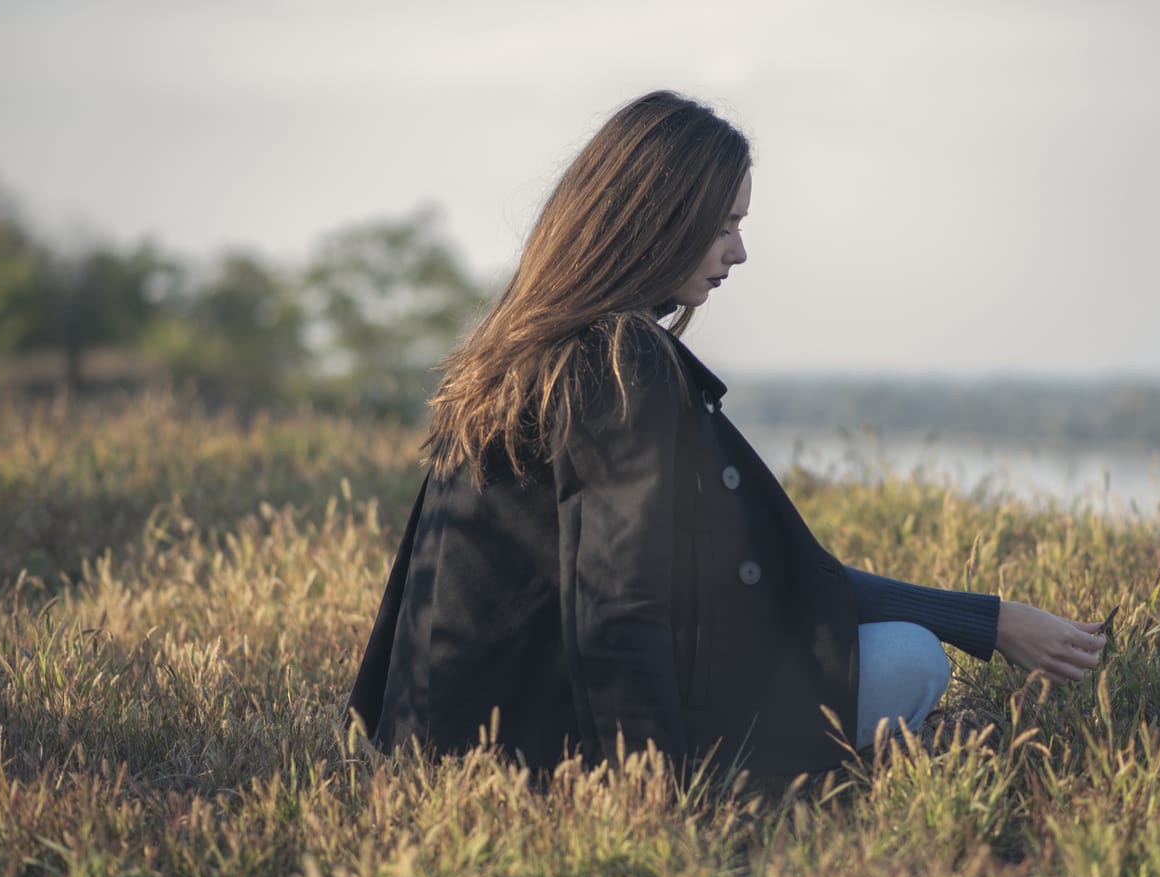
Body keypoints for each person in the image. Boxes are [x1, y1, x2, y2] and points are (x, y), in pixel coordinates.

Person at [347, 90, 1105, 776]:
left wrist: (989, 619)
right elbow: (621, 601)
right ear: (655, 219)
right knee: (912, 659)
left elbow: (767, 572)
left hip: (445, 736)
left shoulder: (521, 348)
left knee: (871, 649)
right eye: (723, 225)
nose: (737, 252)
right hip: (547, 750)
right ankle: (826, 778)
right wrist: (649, 790)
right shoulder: (619, 361)